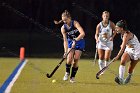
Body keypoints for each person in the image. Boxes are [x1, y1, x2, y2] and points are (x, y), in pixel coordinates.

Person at [54, 10, 85, 83]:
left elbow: (83, 33)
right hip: (70, 42)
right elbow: (65, 40)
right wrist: (65, 51)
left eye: (66, 20)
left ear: (69, 18)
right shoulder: (63, 28)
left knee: (76, 59)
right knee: (69, 59)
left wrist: (76, 40)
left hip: (80, 41)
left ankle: (72, 77)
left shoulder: (75, 23)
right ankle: (67, 73)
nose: (64, 21)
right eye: (63, 20)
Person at [114, 20, 140, 85]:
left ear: (121, 28)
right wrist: (125, 45)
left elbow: (122, 48)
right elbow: (124, 44)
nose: (116, 29)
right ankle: (121, 79)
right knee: (123, 61)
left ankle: (129, 76)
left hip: (137, 51)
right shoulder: (122, 34)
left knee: (130, 69)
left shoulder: (126, 35)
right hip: (129, 49)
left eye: (117, 28)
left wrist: (117, 56)